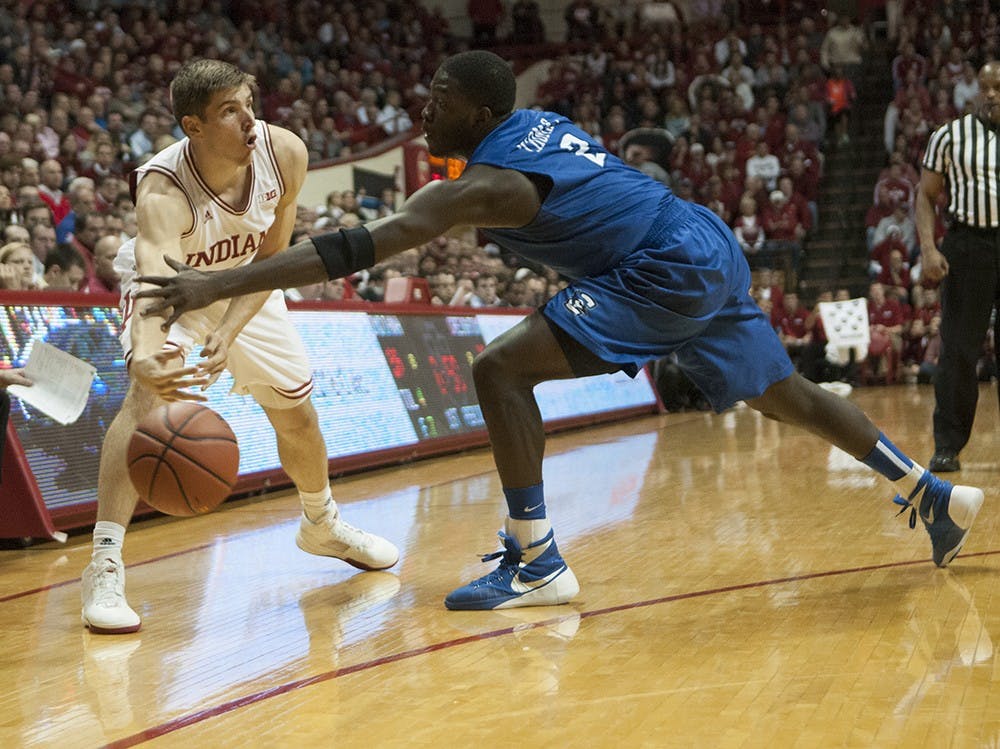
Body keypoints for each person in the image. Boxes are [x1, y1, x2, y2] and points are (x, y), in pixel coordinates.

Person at [137, 51, 984, 612]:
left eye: (438, 101)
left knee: (501, 372)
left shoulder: (483, 185)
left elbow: (354, 246)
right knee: (781, 393)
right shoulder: (526, 132)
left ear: (477, 109)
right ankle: (930, 491)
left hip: (663, 263)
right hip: (701, 239)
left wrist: (220, 279)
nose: (423, 109)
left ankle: (538, 559)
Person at [81, 59, 397, 636]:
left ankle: (320, 524)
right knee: (145, 397)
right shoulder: (163, 189)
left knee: (297, 413)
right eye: (230, 110)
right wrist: (149, 351)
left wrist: (228, 329)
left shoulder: (286, 153)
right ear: (193, 126)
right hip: (171, 289)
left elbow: (272, 259)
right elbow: (154, 274)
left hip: (244, 284)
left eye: (249, 102)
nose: (249, 119)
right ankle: (104, 560)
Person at [915, 61, 1000, 474]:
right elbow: (926, 195)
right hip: (969, 245)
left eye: (997, 87)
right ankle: (947, 445)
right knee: (959, 351)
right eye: (984, 87)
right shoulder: (950, 136)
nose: (990, 94)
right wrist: (929, 249)